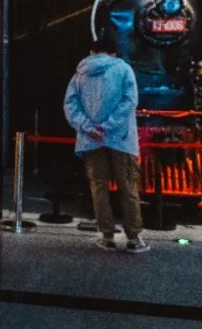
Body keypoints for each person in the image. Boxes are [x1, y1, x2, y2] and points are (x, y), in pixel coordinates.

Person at [63, 36, 149, 253]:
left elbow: (70, 104)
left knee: (99, 187)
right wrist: (108, 126)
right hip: (121, 139)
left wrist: (88, 127)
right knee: (128, 187)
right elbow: (130, 100)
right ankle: (134, 239)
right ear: (113, 53)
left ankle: (107, 236)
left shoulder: (80, 73)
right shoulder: (124, 69)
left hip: (90, 139)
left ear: (92, 52)